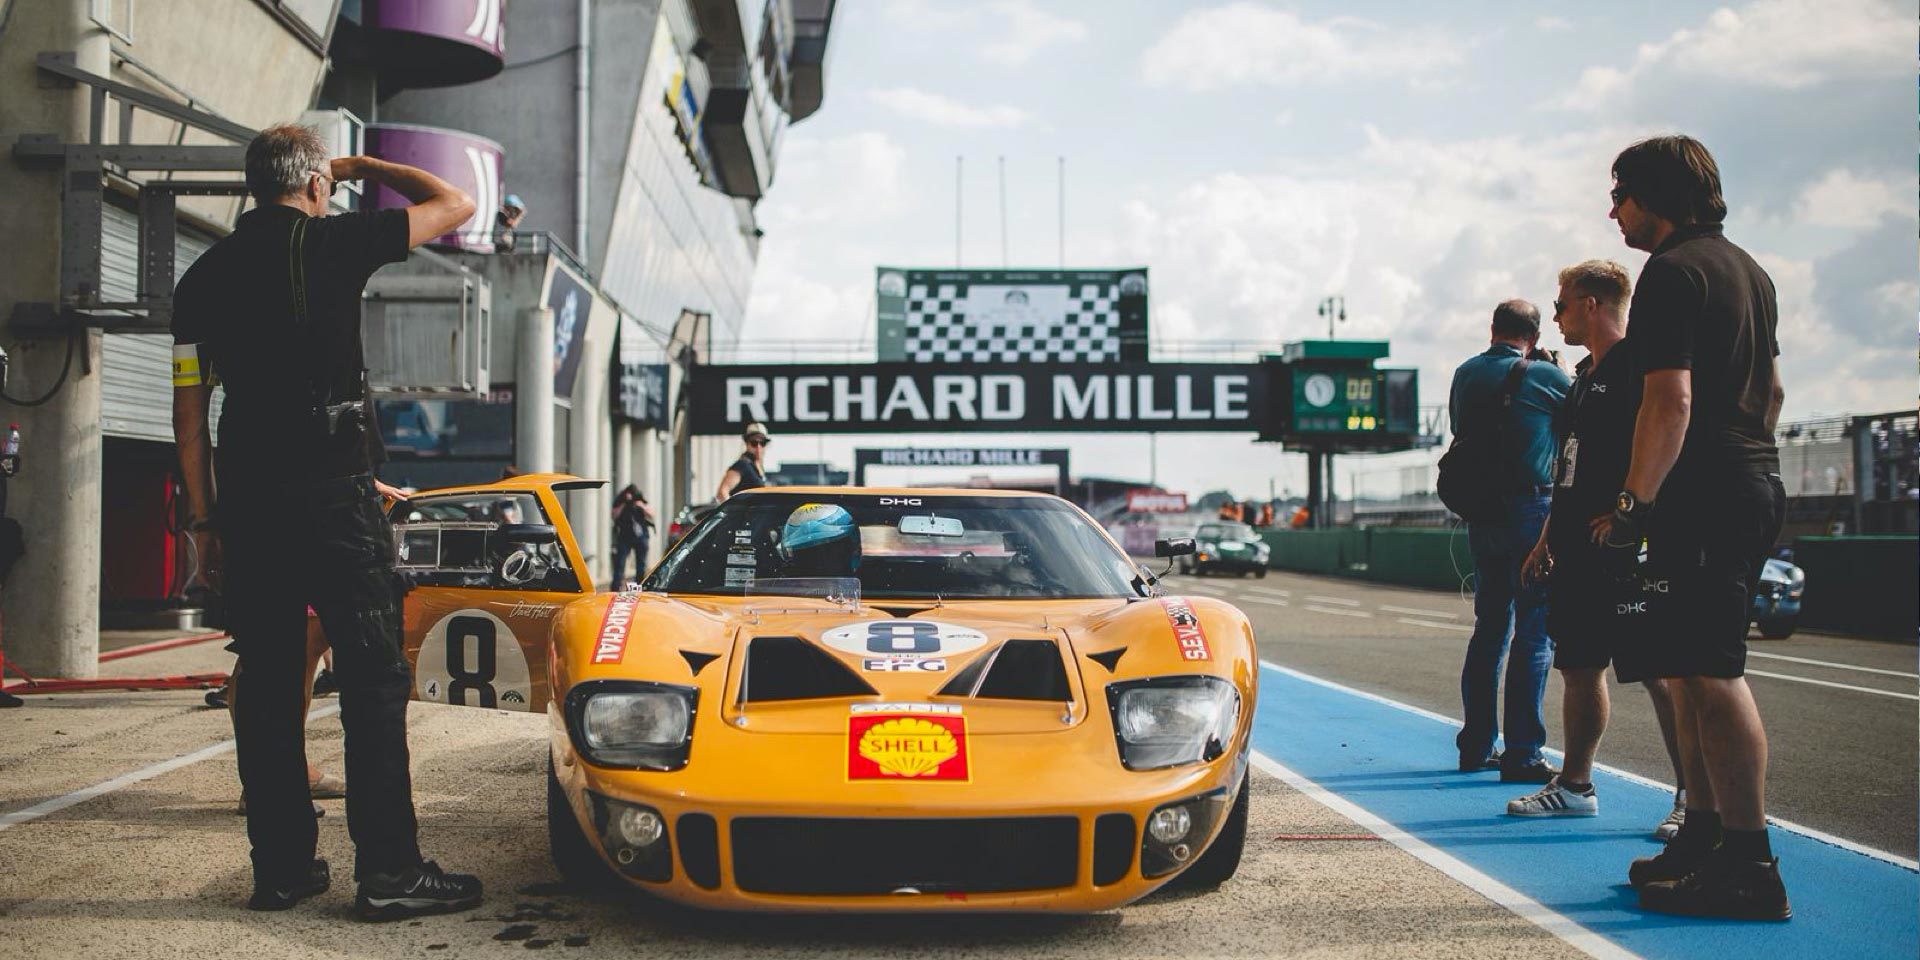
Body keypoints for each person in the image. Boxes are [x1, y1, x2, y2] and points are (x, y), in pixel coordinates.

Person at [171, 123, 483, 917]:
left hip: (247, 507)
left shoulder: (202, 276)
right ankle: (389, 873)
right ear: (313, 185)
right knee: (372, 683)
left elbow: (188, 416)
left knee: (271, 689)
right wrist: (366, 166)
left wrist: (205, 526)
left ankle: (281, 870)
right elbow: (455, 201)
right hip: (337, 499)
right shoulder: (337, 240)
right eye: (328, 184)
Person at [1593, 136, 1789, 920]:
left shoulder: (1671, 274)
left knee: (1712, 673)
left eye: (1621, 195)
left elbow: (1668, 401)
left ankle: (1750, 862)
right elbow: (1771, 390)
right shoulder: (1750, 270)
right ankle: (1706, 837)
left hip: (1702, 490)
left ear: (1657, 196)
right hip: (1748, 475)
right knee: (1690, 666)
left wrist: (1636, 505)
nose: (1613, 210)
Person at [1507, 261, 1690, 836]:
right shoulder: (1584, 374)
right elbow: (1569, 465)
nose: (1555, 314)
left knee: (1661, 669)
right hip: (1574, 547)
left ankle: (1694, 798)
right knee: (1581, 665)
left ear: (1591, 304)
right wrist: (1545, 537)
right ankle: (1576, 785)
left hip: (1624, 545)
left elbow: (1672, 435)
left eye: (1561, 304)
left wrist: (1631, 510)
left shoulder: (1641, 365)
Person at [1448, 300, 1571, 782]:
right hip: (1530, 511)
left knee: (1490, 629)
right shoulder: (1543, 376)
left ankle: (1476, 743)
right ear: (1535, 337)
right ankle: (1523, 753)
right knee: (1534, 632)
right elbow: (1583, 414)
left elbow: (1461, 429)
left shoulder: (1464, 373)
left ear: (1493, 329)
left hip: (1482, 513)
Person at [777, 502, 862, 579]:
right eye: (807, 554)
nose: (819, 564)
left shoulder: (867, 591)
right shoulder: (782, 589)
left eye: (829, 550)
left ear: (849, 550)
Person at [610, 485, 655, 587]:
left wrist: (640, 505)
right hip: (625, 536)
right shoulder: (621, 503)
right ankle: (615, 586)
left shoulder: (640, 502)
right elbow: (614, 515)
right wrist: (624, 505)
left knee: (641, 564)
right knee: (620, 563)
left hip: (641, 536)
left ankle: (639, 585)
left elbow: (652, 515)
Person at [716, 422, 771, 500]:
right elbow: (722, 493)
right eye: (754, 443)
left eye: (762, 443)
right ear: (747, 443)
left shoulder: (757, 467)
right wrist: (733, 512)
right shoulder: (742, 465)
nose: (758, 447)